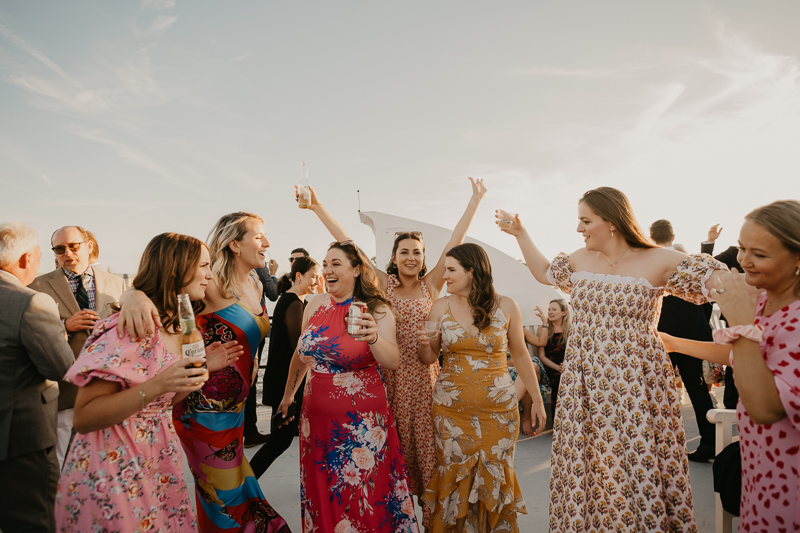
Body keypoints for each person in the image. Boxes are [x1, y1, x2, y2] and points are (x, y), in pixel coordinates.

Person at [497, 186, 727, 532]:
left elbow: (720, 283)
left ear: (613, 222)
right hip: (584, 384)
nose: (579, 229)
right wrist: (520, 234)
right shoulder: (578, 259)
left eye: (586, 220)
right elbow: (545, 271)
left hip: (636, 384)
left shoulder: (658, 259)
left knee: (638, 468)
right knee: (590, 469)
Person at [303, 178, 487, 525]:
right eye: (404, 251)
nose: (411, 257)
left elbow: (456, 242)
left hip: (423, 385)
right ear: (393, 257)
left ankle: (433, 525)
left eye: (417, 252)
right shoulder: (382, 284)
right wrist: (316, 206)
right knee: (386, 464)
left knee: (429, 462)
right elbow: (349, 243)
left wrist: (475, 200)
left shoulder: (430, 285)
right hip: (384, 383)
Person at [55, 232, 243, 531]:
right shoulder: (129, 326)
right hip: (113, 460)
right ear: (175, 269)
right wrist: (156, 384)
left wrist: (198, 370)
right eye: (204, 266)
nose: (210, 274)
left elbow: (168, 399)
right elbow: (84, 416)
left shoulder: (185, 330)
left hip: (159, 457)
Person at [119, 212, 290, 533]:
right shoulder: (211, 284)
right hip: (203, 409)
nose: (267, 243)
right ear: (235, 244)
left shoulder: (254, 282)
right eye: (259, 236)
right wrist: (133, 296)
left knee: (231, 493)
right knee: (226, 500)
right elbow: (159, 286)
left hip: (235, 409)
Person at [660, 200, 800, 532]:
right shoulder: (763, 300)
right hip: (760, 470)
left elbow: (766, 407)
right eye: (741, 248)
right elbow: (746, 357)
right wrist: (674, 343)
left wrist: (739, 320)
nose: (744, 262)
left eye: (760, 255)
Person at [276, 241, 419, 532]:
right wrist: (289, 394)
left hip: (361, 429)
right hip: (316, 426)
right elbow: (302, 355)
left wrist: (374, 338)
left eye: (336, 264)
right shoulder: (314, 304)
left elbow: (393, 361)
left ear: (356, 270)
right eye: (325, 264)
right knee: (325, 495)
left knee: (362, 499)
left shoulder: (377, 310)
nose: (327, 270)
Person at [416, 243, 545, 532]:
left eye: (451, 270)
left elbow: (522, 355)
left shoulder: (507, 306)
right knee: (453, 477)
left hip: (499, 413)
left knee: (495, 476)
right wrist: (425, 344)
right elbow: (428, 358)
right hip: (450, 413)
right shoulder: (440, 306)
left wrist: (536, 398)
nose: (445, 276)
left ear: (472, 271)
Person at [30, 225, 126, 467]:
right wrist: (64, 325)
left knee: (106, 456)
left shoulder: (116, 284)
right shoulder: (36, 285)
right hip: (64, 384)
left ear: (88, 246)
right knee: (61, 458)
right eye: (60, 249)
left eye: (74, 246)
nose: (67, 253)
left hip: (109, 382)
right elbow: (32, 332)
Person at [0, 222, 74, 532]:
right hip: (22, 439)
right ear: (26, 259)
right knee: (36, 521)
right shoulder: (31, 301)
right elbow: (61, 368)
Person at [650, 219, 718, 462]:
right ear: (673, 235)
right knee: (697, 389)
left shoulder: (650, 261)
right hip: (692, 334)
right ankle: (710, 442)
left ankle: (657, 448)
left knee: (657, 392)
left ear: (650, 237)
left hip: (660, 337)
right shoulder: (687, 261)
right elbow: (705, 287)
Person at [250, 256, 321, 477]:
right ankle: (245, 488)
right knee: (278, 442)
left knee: (291, 440)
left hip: (286, 380)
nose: (317, 281)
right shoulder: (293, 302)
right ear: (298, 276)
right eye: (313, 276)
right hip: (286, 384)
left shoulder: (296, 300)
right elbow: (300, 348)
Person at [701, 223, 742, 409]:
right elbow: (705, 269)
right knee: (738, 361)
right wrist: (709, 242)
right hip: (738, 321)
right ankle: (732, 406)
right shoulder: (734, 253)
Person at [529, 299, 571, 423]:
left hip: (568, 365)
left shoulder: (570, 328)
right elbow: (542, 356)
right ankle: (559, 422)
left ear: (564, 312)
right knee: (559, 380)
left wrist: (568, 365)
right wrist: (557, 368)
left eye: (554, 309)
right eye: (549, 310)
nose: (550, 312)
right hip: (551, 367)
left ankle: (575, 420)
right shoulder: (544, 328)